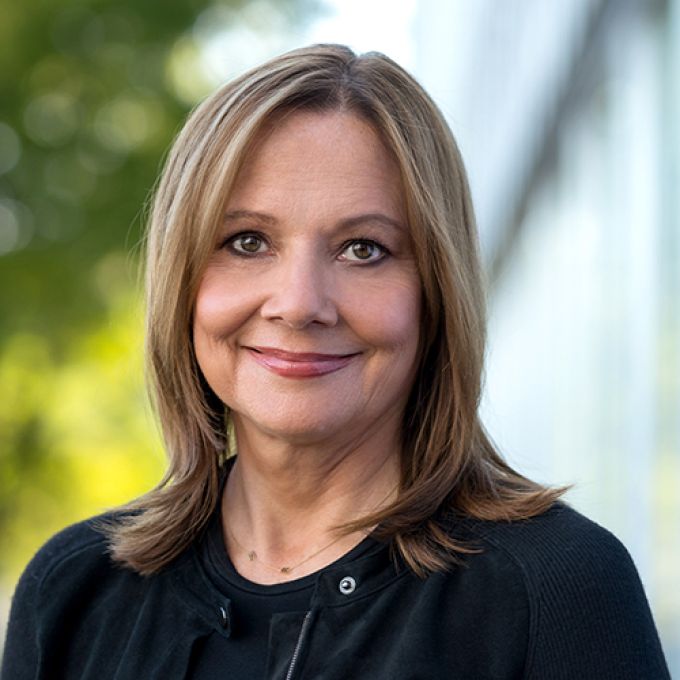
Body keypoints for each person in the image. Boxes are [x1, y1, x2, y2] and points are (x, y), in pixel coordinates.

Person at [1, 44, 670, 680]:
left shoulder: (557, 591)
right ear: (183, 281)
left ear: (436, 292)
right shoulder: (74, 591)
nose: (298, 305)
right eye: (246, 241)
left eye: (363, 249)